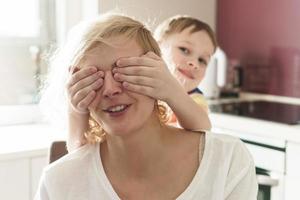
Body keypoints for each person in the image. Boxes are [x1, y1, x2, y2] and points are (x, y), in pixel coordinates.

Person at [35, 13, 257, 200]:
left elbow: (202, 126)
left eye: (123, 71)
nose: (110, 89)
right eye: (94, 78)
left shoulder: (227, 161)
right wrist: (76, 111)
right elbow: (80, 165)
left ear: (158, 70)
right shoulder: (57, 182)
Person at [65, 15, 216, 151]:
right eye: (184, 49)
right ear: (158, 48)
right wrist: (77, 111)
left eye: (202, 60)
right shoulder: (104, 108)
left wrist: (172, 91)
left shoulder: (196, 99)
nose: (194, 64)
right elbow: (78, 156)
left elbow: (203, 131)